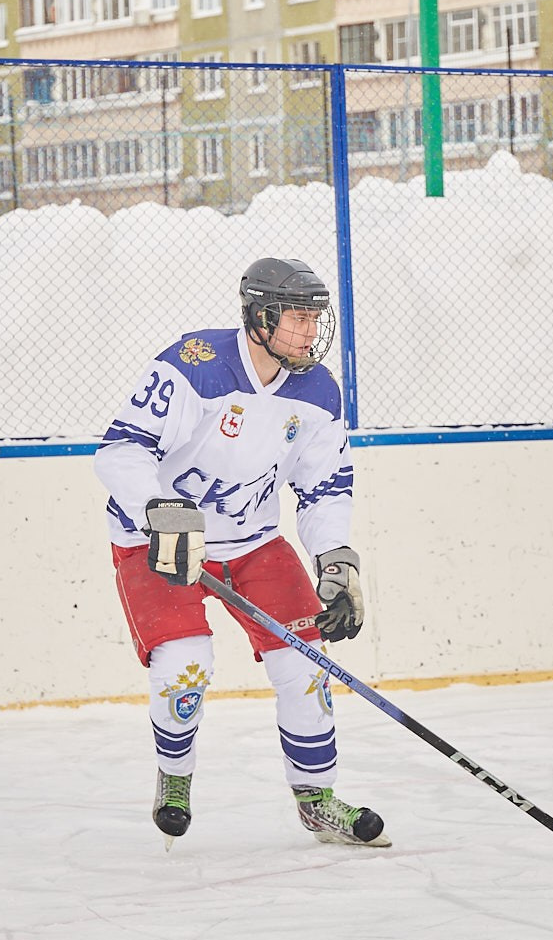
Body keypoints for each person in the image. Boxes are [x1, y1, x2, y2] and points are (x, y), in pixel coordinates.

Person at [94, 257, 386, 850]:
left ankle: (317, 800)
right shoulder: (195, 366)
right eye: (297, 318)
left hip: (254, 544)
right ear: (259, 318)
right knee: (185, 663)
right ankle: (175, 779)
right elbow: (120, 451)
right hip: (161, 543)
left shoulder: (318, 392)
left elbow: (325, 486)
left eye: (315, 318)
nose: (310, 331)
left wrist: (336, 562)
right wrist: (162, 511)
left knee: (305, 664)